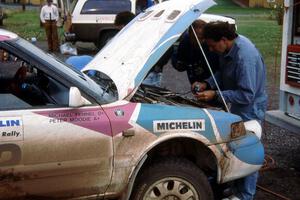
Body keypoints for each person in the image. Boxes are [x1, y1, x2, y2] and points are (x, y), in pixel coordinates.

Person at [194, 21, 267, 200]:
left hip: (250, 109)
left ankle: (245, 195)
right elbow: (222, 72)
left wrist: (215, 95)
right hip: (236, 107)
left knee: (247, 150)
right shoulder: (228, 49)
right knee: (233, 147)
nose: (211, 50)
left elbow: (246, 95)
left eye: (212, 45)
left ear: (224, 39)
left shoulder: (245, 57)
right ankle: (236, 188)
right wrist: (207, 83)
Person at [172, 20, 219, 91]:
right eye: (197, 37)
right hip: (196, 82)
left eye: (203, 38)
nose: (200, 41)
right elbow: (180, 63)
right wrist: (178, 63)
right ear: (191, 34)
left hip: (215, 85)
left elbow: (220, 71)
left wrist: (206, 84)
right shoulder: (186, 41)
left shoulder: (211, 46)